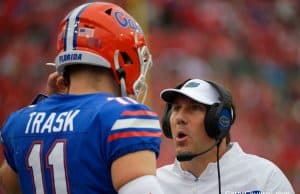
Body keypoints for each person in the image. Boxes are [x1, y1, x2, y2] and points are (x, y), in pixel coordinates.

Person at [0, 2, 165, 194]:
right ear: (122, 59)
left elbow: (12, 186)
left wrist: (51, 110)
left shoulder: (20, 121)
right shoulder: (122, 116)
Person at [157, 78, 295, 194]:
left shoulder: (264, 178)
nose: (179, 118)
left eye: (194, 108)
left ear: (220, 120)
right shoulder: (153, 185)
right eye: (176, 109)